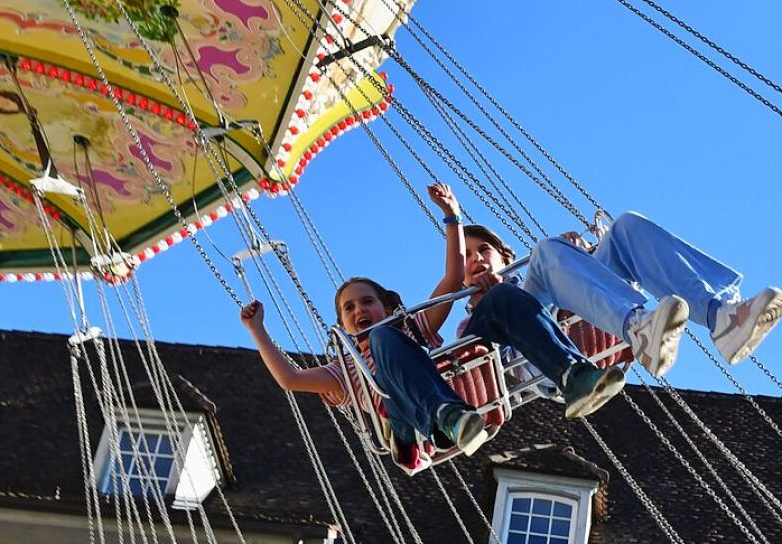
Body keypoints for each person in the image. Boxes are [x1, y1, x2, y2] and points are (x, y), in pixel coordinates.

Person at [239, 183, 626, 465]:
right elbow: (290, 379)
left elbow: (453, 278)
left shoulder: (408, 331)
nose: (360, 311)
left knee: (498, 298)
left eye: (368, 302)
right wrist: (258, 330)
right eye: (350, 308)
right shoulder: (344, 371)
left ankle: (571, 375)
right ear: (341, 323)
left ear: (389, 306)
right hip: (404, 409)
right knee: (383, 344)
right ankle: (422, 427)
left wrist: (453, 216)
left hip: (432, 391)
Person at [462, 215, 782, 377]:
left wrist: (577, 257)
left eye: (483, 250)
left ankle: (720, 316)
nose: (475, 259)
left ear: (505, 258)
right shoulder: (469, 323)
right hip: (537, 356)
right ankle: (636, 328)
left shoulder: (531, 272)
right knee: (546, 252)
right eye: (466, 256)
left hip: (571, 310)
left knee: (625, 228)